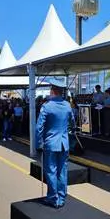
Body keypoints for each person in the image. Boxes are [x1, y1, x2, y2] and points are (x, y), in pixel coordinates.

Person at [36, 81, 74, 209]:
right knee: (62, 170)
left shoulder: (47, 106)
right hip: (64, 143)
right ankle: (62, 197)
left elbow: (39, 128)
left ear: (52, 91)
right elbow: (72, 123)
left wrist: (39, 143)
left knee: (51, 171)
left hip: (51, 144)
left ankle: (53, 198)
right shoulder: (67, 105)